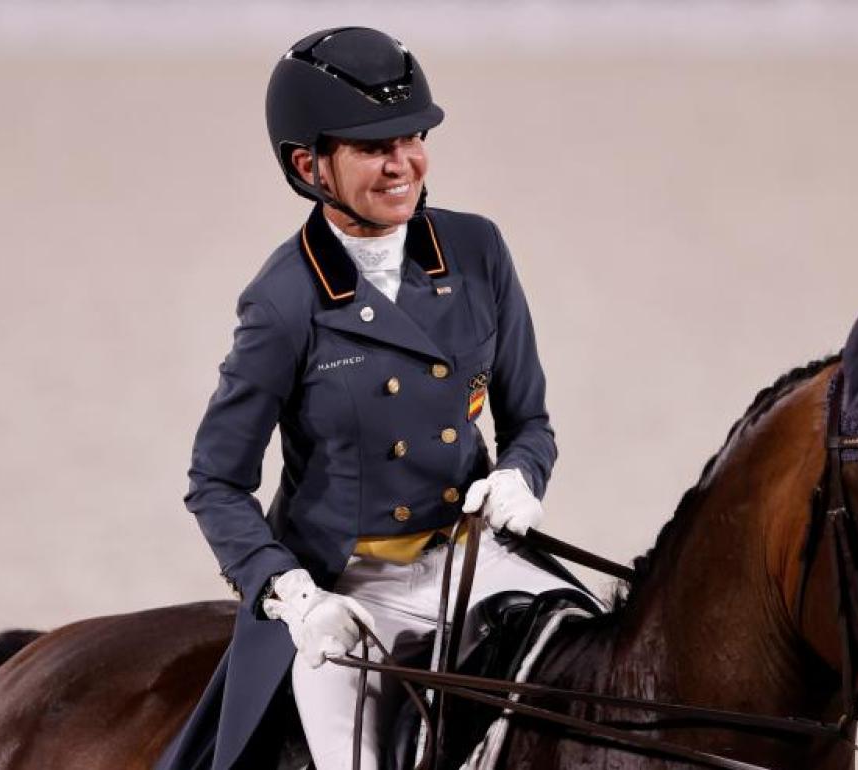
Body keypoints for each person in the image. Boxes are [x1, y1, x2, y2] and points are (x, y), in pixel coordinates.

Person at [155, 26, 589, 770]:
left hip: (473, 559)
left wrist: (522, 475)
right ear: (309, 165)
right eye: (372, 147)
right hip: (352, 591)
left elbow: (530, 420)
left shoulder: (478, 252)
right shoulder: (284, 303)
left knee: (615, 670)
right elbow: (215, 482)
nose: (403, 164)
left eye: (413, 138)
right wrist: (292, 594)